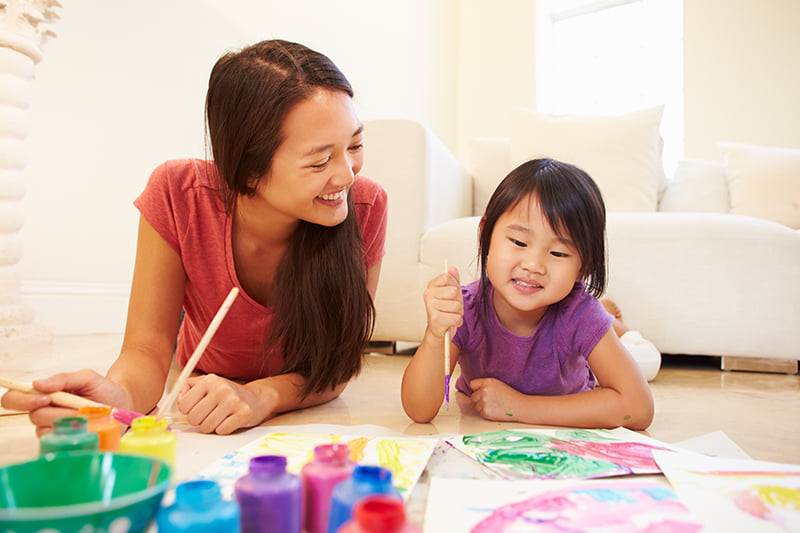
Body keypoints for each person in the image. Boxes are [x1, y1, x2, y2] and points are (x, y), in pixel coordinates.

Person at [2, 39, 388, 435]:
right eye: (321, 160)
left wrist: (263, 396)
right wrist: (116, 398)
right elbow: (147, 349)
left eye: (355, 145)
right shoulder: (177, 193)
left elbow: (337, 365)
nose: (347, 174)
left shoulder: (367, 206)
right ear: (248, 168)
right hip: (198, 376)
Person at [401, 158, 654, 429]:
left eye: (558, 253)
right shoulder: (467, 309)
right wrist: (435, 335)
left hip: (586, 349)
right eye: (519, 242)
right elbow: (419, 410)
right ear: (485, 235)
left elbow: (638, 409)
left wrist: (518, 407)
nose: (533, 266)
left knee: (648, 360)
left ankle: (619, 328)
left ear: (583, 268)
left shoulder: (580, 314)